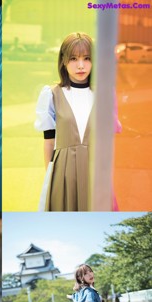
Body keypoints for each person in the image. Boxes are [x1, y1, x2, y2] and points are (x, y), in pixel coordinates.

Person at [35, 32, 121, 211]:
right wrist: (50, 177)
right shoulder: (51, 94)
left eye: (87, 58)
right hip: (62, 172)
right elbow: (49, 141)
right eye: (73, 58)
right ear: (63, 61)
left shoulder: (105, 94)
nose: (81, 65)